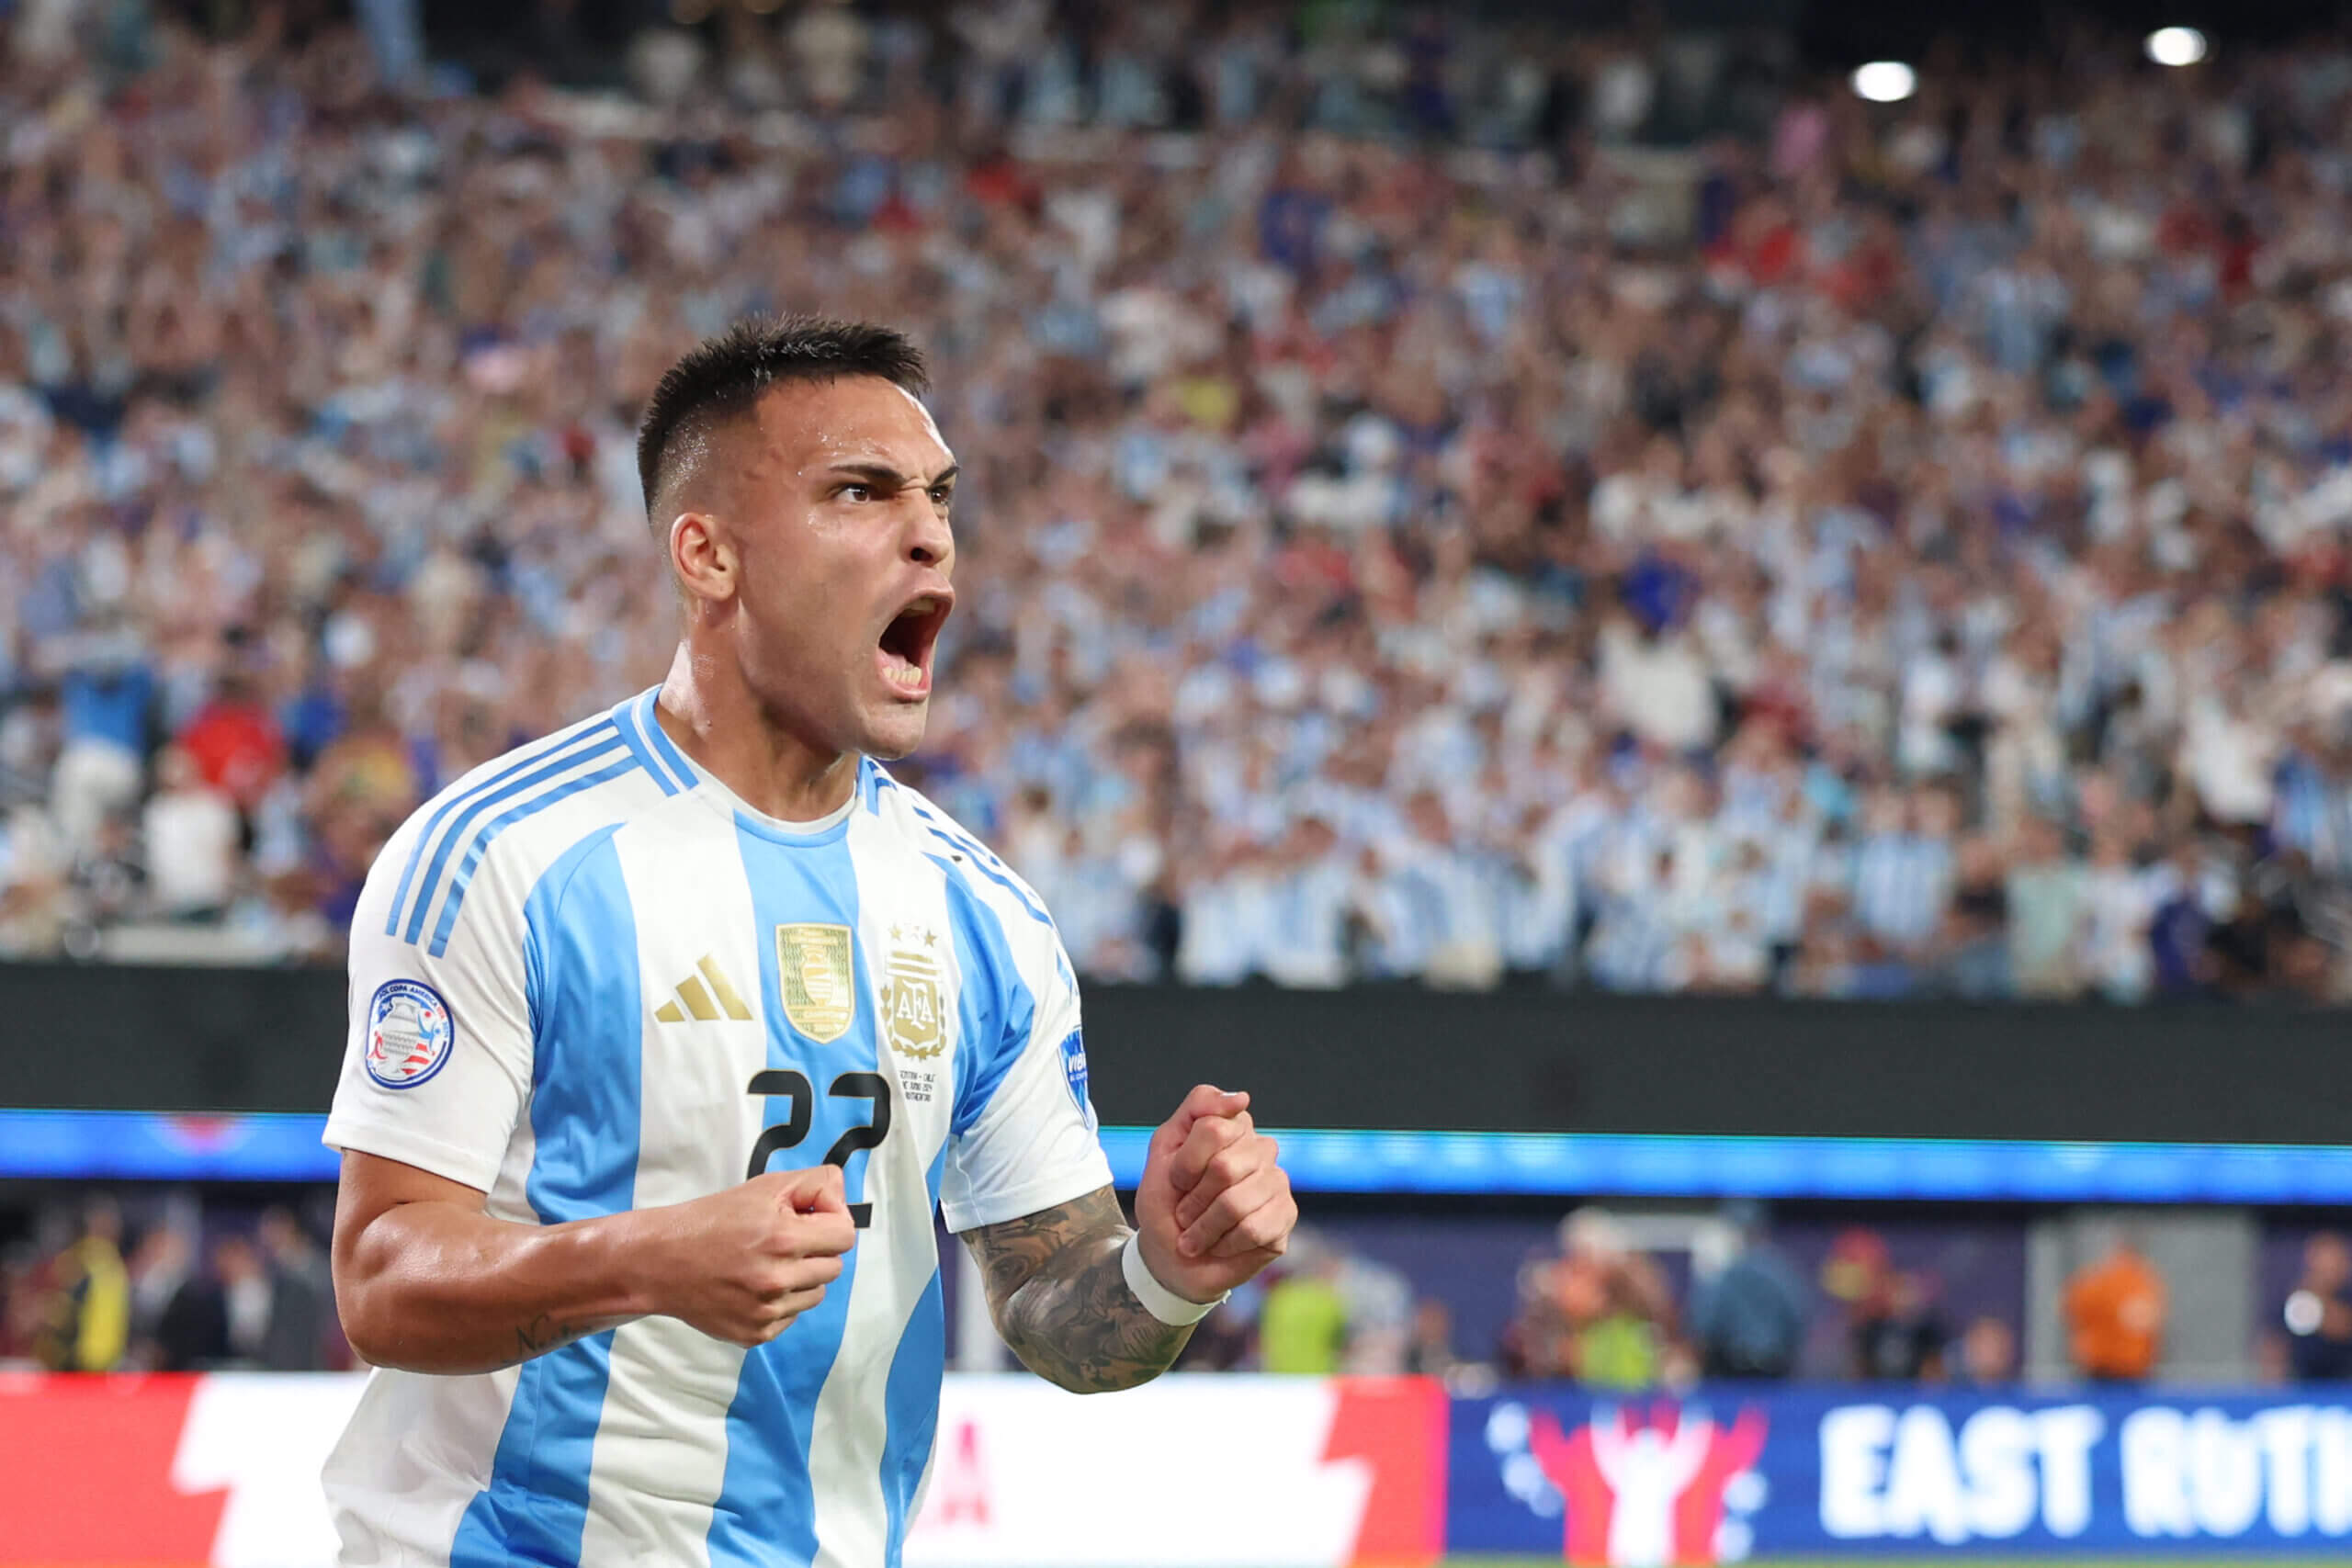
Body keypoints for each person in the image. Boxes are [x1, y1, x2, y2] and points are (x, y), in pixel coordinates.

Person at [320, 318, 1297, 1567]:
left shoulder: (983, 914)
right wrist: (647, 1258)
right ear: (708, 553)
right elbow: (384, 1277)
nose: (931, 532)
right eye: (861, 490)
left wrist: (1167, 1266)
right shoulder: (503, 853)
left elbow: (1059, 1311)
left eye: (940, 497)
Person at [2063, 1228, 2167, 1384]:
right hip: (2102, 1369)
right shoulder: (2100, 1281)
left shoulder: (2142, 1281)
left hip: (2131, 1370)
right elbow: (2073, 1307)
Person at [2283, 1232, 2352, 1383]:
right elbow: (2274, 1346)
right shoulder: (2290, 1299)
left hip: (2346, 1388)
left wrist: (2315, 1298)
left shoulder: (2347, 1296)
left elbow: (2343, 1326)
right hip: (2302, 1387)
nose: (2328, 1270)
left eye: (2335, 1262)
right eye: (2322, 1263)